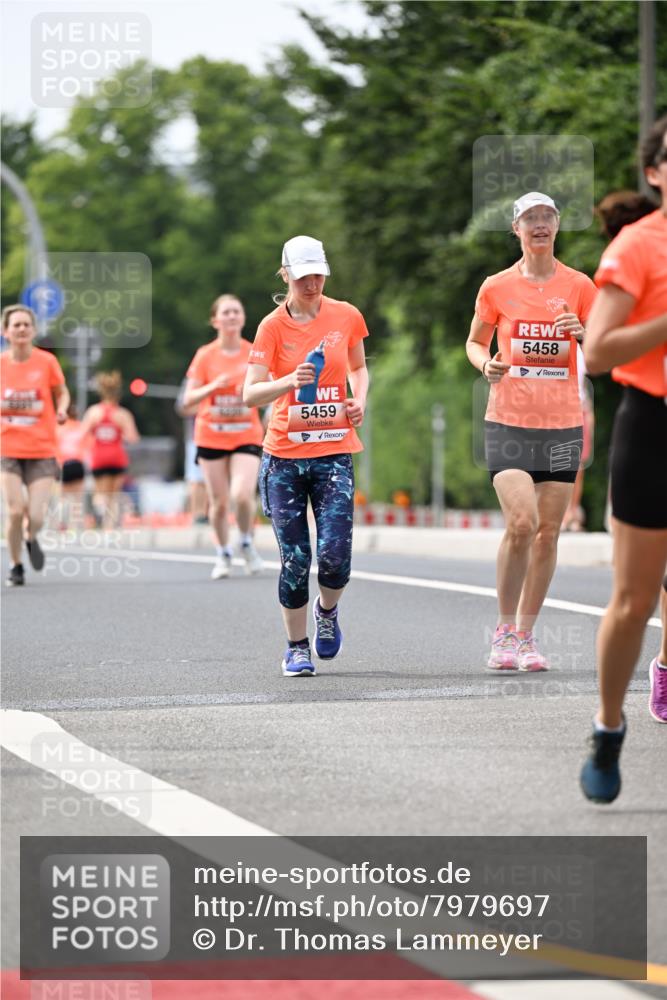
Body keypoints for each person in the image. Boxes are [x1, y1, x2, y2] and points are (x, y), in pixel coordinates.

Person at [466, 192, 597, 672]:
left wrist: (582, 332)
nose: (539, 225)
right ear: (516, 229)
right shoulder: (496, 287)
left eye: (547, 217)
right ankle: (502, 630)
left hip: (562, 423)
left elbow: (602, 350)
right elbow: (476, 341)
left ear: (558, 226)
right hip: (509, 421)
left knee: (547, 534)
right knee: (521, 523)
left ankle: (525, 635)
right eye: (530, 219)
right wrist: (487, 365)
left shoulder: (581, 286)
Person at [580, 116, 667, 804]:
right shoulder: (638, 247)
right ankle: (607, 728)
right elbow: (599, 350)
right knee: (635, 600)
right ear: (654, 173)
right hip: (652, 426)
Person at [243, 235, 369, 676]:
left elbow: (358, 367)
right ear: (286, 275)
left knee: (335, 554)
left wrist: (360, 401)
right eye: (302, 276)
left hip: (334, 451)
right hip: (284, 457)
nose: (312, 283)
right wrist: (288, 382)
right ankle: (296, 647)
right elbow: (249, 393)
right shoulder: (271, 327)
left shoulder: (347, 315)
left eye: (318, 274)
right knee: (296, 557)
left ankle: (327, 611)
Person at [183, 295, 264, 578]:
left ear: (242, 318)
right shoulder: (205, 355)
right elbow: (187, 400)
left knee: (241, 495)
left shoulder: (254, 352)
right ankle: (223, 554)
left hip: (246, 433)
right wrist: (212, 387)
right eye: (225, 312)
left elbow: (269, 391)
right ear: (215, 320)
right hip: (211, 435)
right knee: (218, 503)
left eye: (236, 312)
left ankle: (245, 542)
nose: (231, 317)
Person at [0, 304, 70, 586]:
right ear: (5, 332)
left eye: (26, 325)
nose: (21, 329)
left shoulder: (46, 362)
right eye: (15, 325)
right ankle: (16, 565)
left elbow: (61, 391)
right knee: (16, 510)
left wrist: (63, 408)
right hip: (7, 449)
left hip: (42, 449)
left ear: (34, 330)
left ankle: (32, 537)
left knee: (37, 516)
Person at [80, 371, 140, 529]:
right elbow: (133, 437)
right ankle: (109, 526)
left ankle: (99, 510)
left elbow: (82, 434)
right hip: (116, 456)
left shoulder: (94, 412)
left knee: (100, 491)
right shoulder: (122, 414)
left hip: (99, 456)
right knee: (114, 493)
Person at [175, 380, 208, 525]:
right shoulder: (193, 379)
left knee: (213, 478)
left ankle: (209, 513)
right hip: (196, 437)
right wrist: (207, 408)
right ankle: (198, 514)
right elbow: (182, 407)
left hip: (221, 437)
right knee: (196, 478)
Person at [56, 402, 88, 532]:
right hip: (77, 463)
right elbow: (87, 446)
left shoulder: (58, 428)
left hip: (63, 464)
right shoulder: (81, 427)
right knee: (77, 498)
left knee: (63, 497)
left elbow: (54, 448)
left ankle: (62, 522)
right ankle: (76, 525)